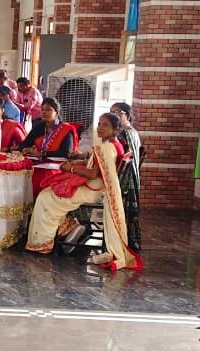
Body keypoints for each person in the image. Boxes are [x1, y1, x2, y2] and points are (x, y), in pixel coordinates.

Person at [25, 112, 142, 271]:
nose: (100, 128)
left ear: (115, 130)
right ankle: (66, 227)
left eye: (105, 125)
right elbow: (96, 165)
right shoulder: (114, 143)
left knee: (46, 196)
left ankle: (44, 242)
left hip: (94, 189)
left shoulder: (107, 147)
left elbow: (93, 174)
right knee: (51, 189)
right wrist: (81, 160)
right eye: (99, 124)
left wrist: (71, 168)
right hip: (97, 186)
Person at [110, 101, 142, 250]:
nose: (113, 116)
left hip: (126, 179)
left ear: (127, 116)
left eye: (117, 113)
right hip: (133, 177)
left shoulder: (124, 133)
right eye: (111, 112)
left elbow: (119, 158)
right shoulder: (133, 131)